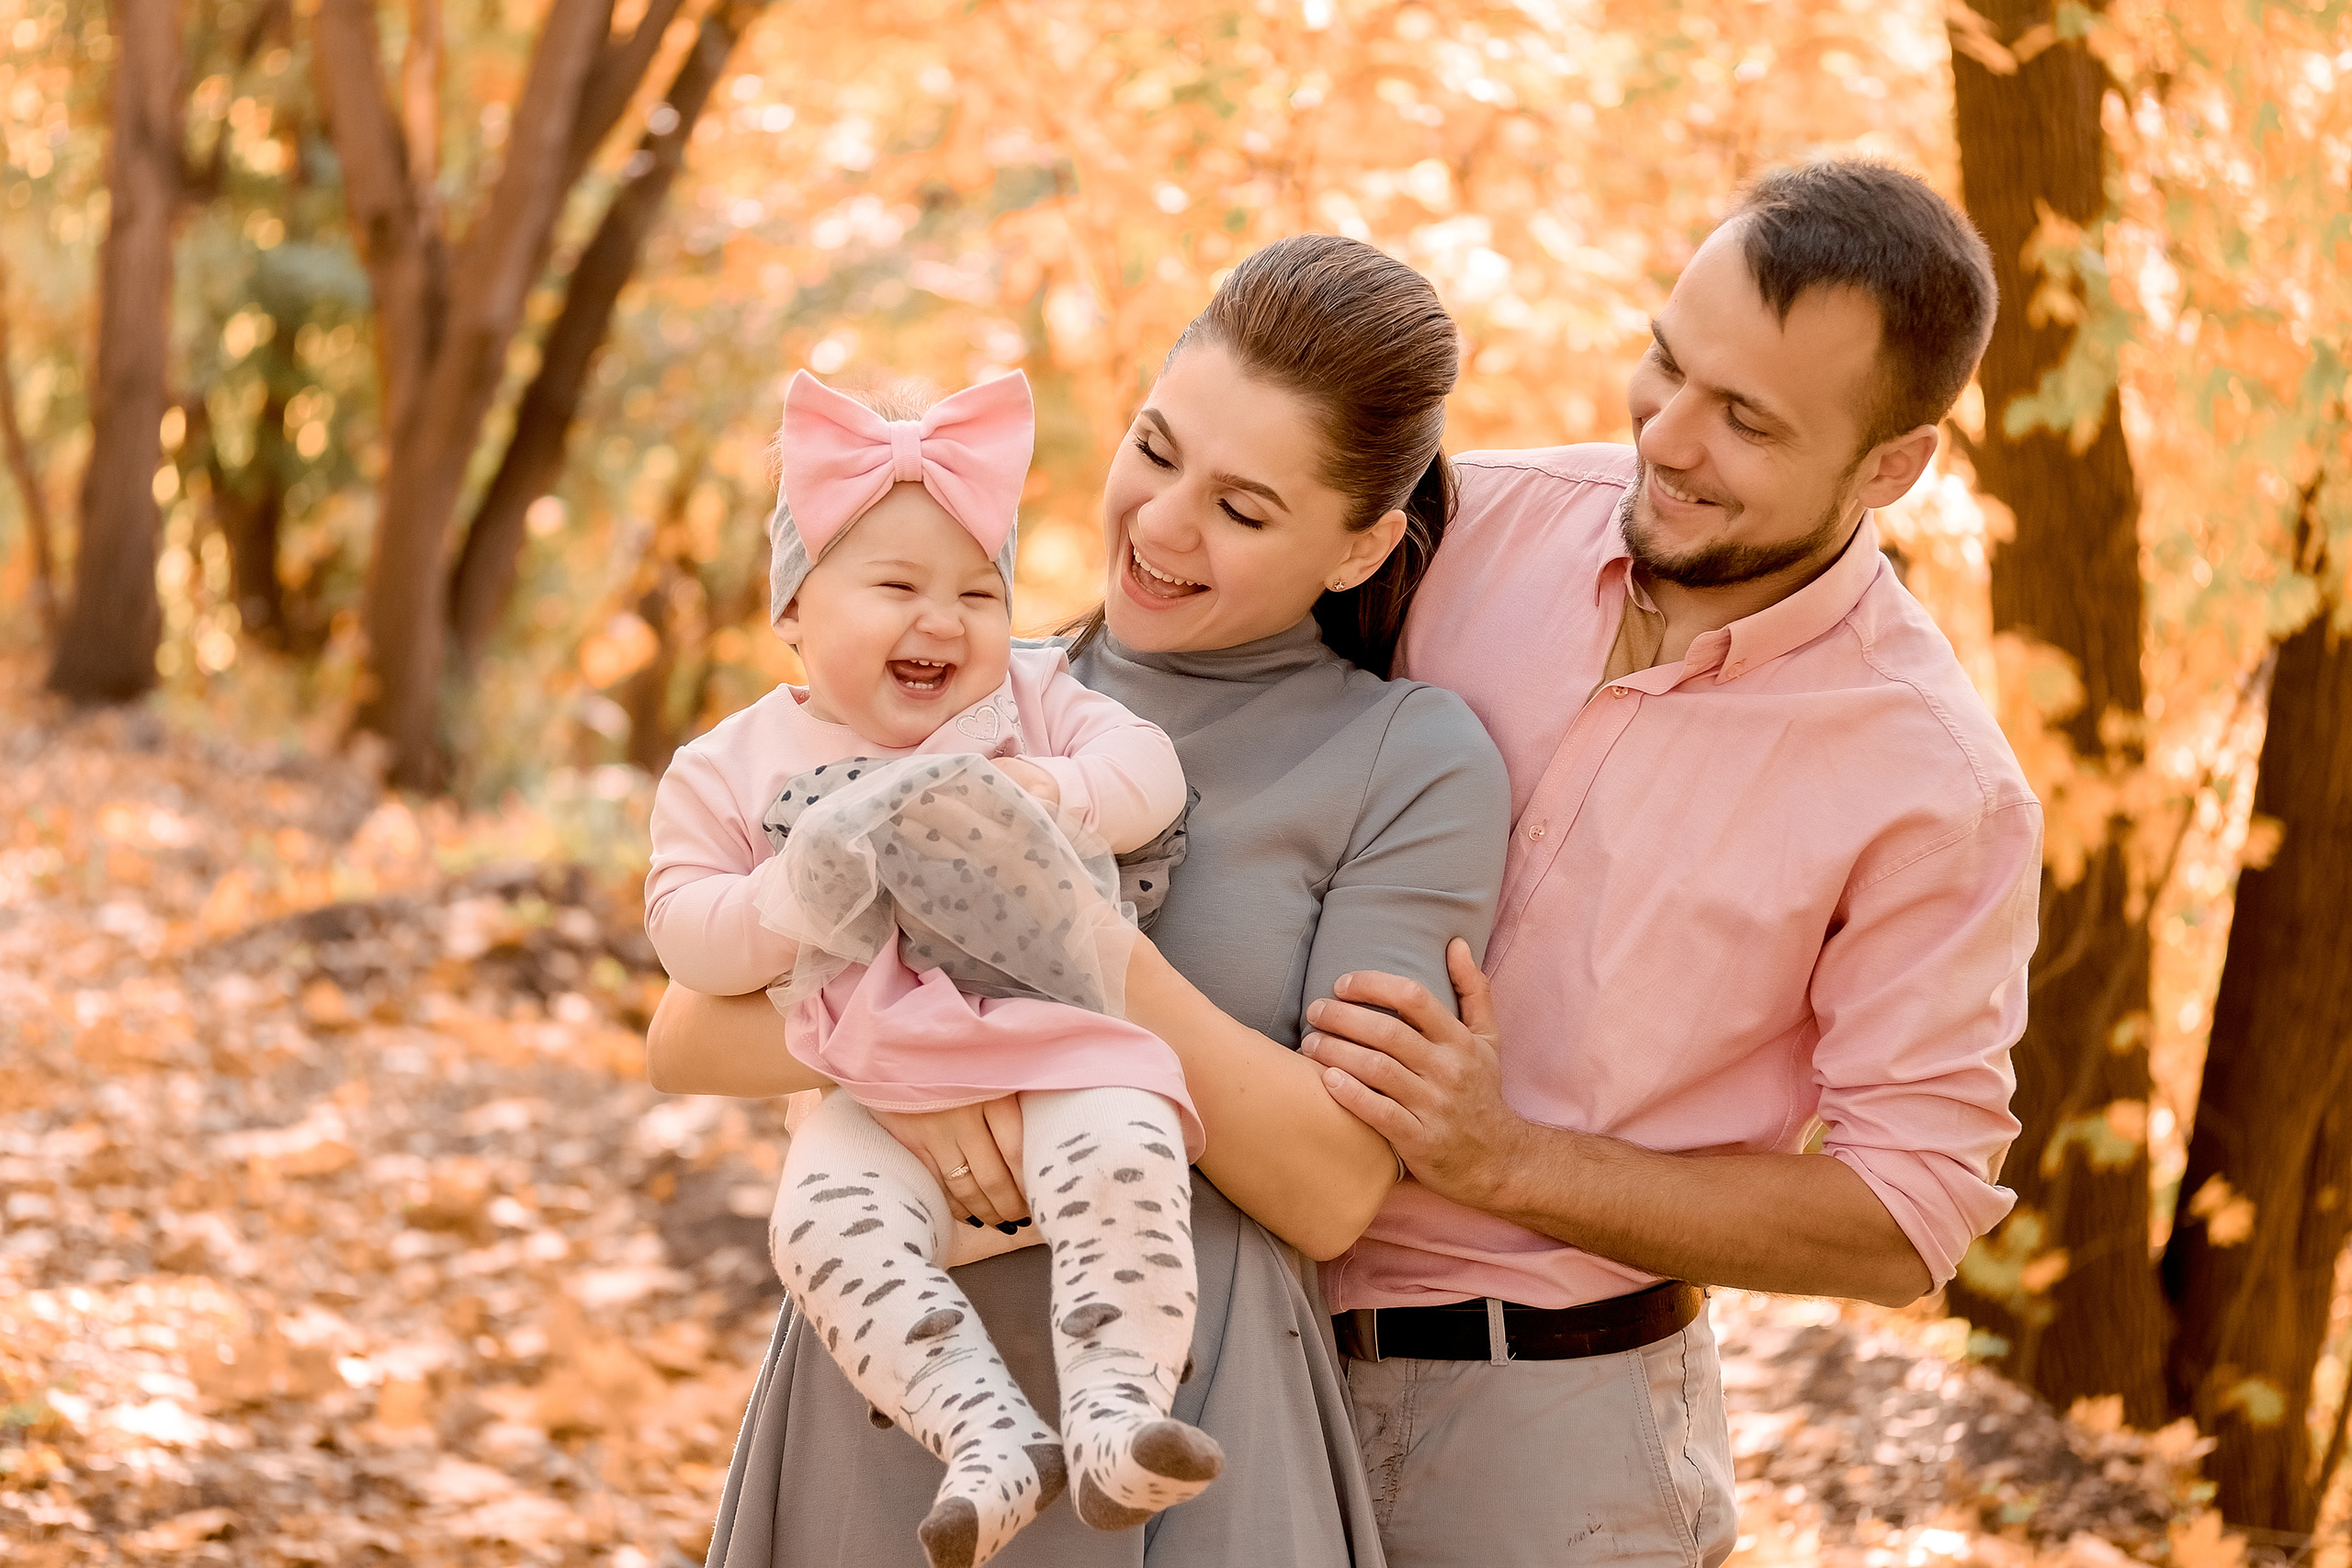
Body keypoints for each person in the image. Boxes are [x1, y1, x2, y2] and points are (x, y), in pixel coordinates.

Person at [646, 233, 1510, 1567]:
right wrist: (938, 1078)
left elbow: (1334, 1187)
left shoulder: (1408, 758)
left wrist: (1078, 950)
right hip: (892, 1396)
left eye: (1244, 507)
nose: (1163, 525)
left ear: (1360, 548)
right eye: (1157, 452)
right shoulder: (974, 683)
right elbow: (689, 1035)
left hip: (1185, 1408)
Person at [1297, 159, 2040, 1568]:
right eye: (1666, 360)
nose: (1669, 436)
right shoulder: (1456, 526)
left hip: (1550, 1436)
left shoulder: (1936, 787)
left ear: (1892, 467)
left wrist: (1510, 1162)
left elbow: (1905, 1215)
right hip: (1232, 1342)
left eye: (1746, 419)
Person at [643, 367, 1224, 1568]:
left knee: (1129, 1152)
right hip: (876, 1079)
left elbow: (1150, 768)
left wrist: (1052, 791)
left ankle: (1120, 1407)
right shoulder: (732, 763)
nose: (947, 620)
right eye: (899, 585)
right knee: (818, 1226)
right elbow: (685, 935)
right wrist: (790, 890)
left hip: (1059, 1032)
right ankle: (982, 1432)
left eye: (980, 590)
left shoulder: (1033, 699)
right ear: (796, 608)